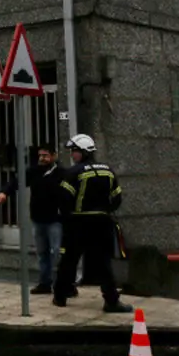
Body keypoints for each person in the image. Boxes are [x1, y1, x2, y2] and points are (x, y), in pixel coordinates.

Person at [52, 133, 133, 313]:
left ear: (84, 152)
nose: (72, 155)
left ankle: (60, 296)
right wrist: (104, 210)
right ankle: (111, 301)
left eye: (74, 151)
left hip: (78, 223)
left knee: (69, 260)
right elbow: (117, 199)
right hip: (102, 223)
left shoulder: (73, 172)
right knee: (104, 262)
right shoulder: (108, 171)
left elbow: (64, 199)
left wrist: (68, 218)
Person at [0, 142, 65, 295]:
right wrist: (4, 193)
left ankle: (64, 284)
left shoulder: (61, 173)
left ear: (54, 156)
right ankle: (45, 283)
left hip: (55, 220)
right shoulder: (34, 172)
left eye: (45, 155)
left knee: (57, 254)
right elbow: (17, 182)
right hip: (38, 219)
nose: (42, 158)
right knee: (42, 253)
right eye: (40, 155)